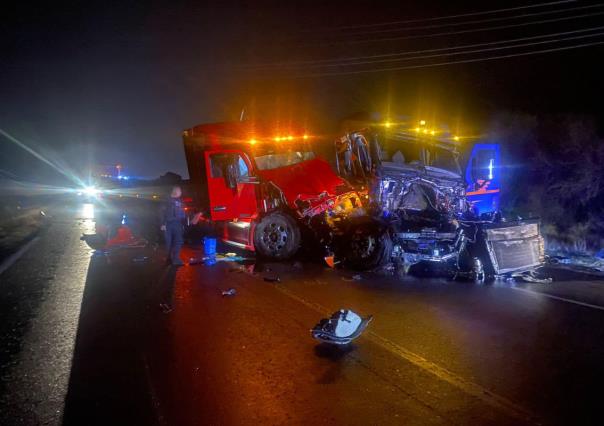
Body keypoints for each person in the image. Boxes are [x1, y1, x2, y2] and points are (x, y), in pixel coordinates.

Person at [160, 186, 186, 266]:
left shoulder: (179, 201)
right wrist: (162, 224)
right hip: (168, 223)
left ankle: (176, 259)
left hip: (177, 223)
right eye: (180, 191)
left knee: (178, 241)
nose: (181, 193)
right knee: (168, 242)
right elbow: (161, 212)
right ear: (175, 191)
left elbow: (181, 212)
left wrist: (184, 220)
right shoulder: (166, 200)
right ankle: (169, 259)